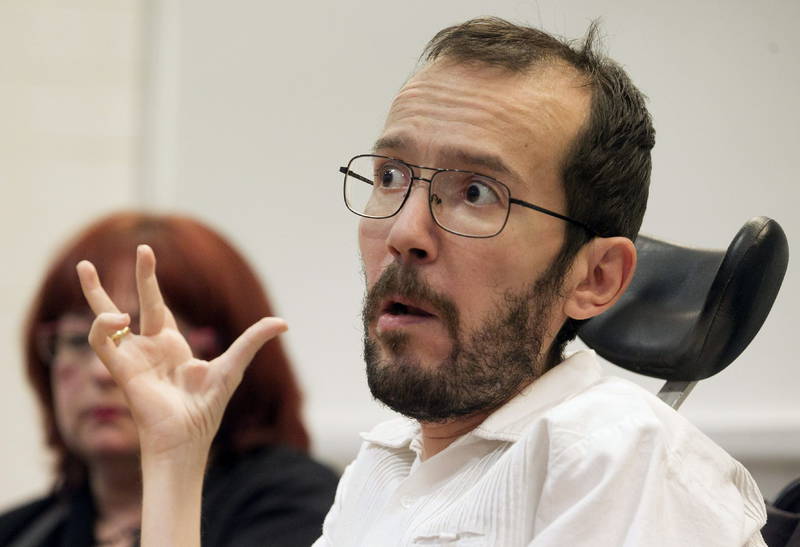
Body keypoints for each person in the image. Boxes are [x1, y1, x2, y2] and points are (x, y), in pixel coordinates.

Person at [75, 18, 767, 547]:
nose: (405, 230)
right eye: (390, 176)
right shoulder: (384, 468)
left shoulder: (616, 453)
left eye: (477, 192)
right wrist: (174, 456)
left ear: (595, 277)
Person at [0, 212, 338, 547]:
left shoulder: (297, 507)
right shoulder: (20, 532)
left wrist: (171, 457)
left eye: (137, 341)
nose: (103, 372)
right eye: (77, 340)